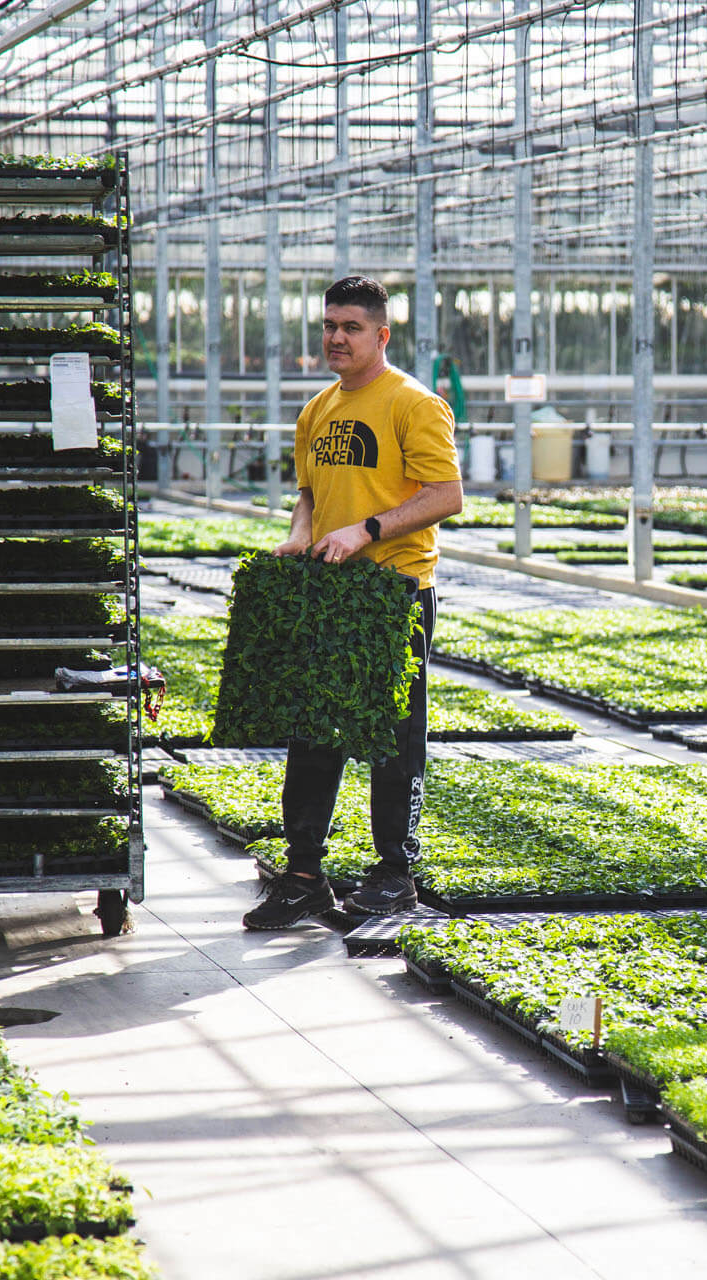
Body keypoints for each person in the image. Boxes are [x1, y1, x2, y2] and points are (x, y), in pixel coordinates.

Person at [243, 276, 463, 930]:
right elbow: (309, 493)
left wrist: (366, 530)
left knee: (394, 738)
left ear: (381, 335)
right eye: (329, 325)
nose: (336, 337)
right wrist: (300, 533)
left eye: (351, 327)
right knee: (314, 734)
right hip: (330, 592)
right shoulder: (317, 410)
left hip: (394, 591)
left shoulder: (413, 404)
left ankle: (395, 873)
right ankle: (304, 876)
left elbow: (446, 495)